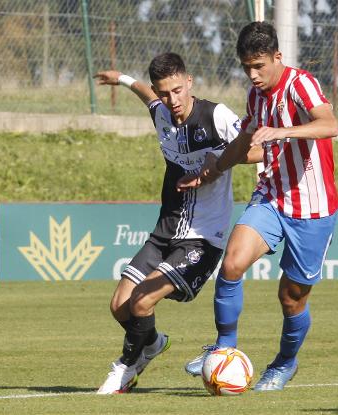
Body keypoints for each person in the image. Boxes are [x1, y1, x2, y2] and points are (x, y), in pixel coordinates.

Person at [180, 21, 338, 391]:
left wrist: (282, 132)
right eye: (246, 67)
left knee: (291, 298)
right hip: (271, 197)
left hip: (312, 209)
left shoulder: (301, 84)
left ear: (277, 58)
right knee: (232, 262)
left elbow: (330, 125)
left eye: (259, 66)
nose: (253, 75)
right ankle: (223, 348)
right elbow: (243, 142)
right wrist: (214, 169)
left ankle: (285, 363)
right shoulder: (256, 96)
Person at [92, 52, 253, 394]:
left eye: (178, 90)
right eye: (165, 93)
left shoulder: (216, 115)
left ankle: (126, 367)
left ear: (189, 82)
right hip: (166, 231)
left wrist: (219, 162)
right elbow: (146, 96)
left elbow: (255, 148)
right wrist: (121, 79)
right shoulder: (162, 113)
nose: (173, 100)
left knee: (142, 302)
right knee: (119, 305)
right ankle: (151, 344)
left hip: (202, 238)